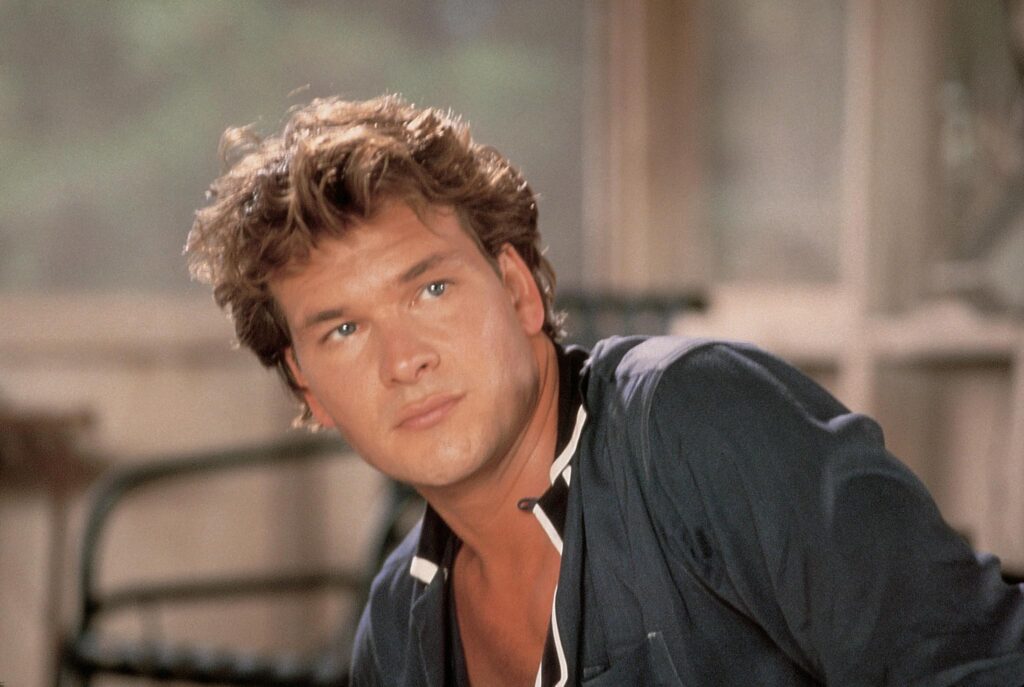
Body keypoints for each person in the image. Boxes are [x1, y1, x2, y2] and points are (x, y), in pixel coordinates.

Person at [186, 94, 1024, 686]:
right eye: (344, 329)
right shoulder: (399, 632)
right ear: (309, 388)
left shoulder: (691, 422)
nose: (404, 360)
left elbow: (976, 664)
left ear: (518, 291)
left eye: (431, 289)